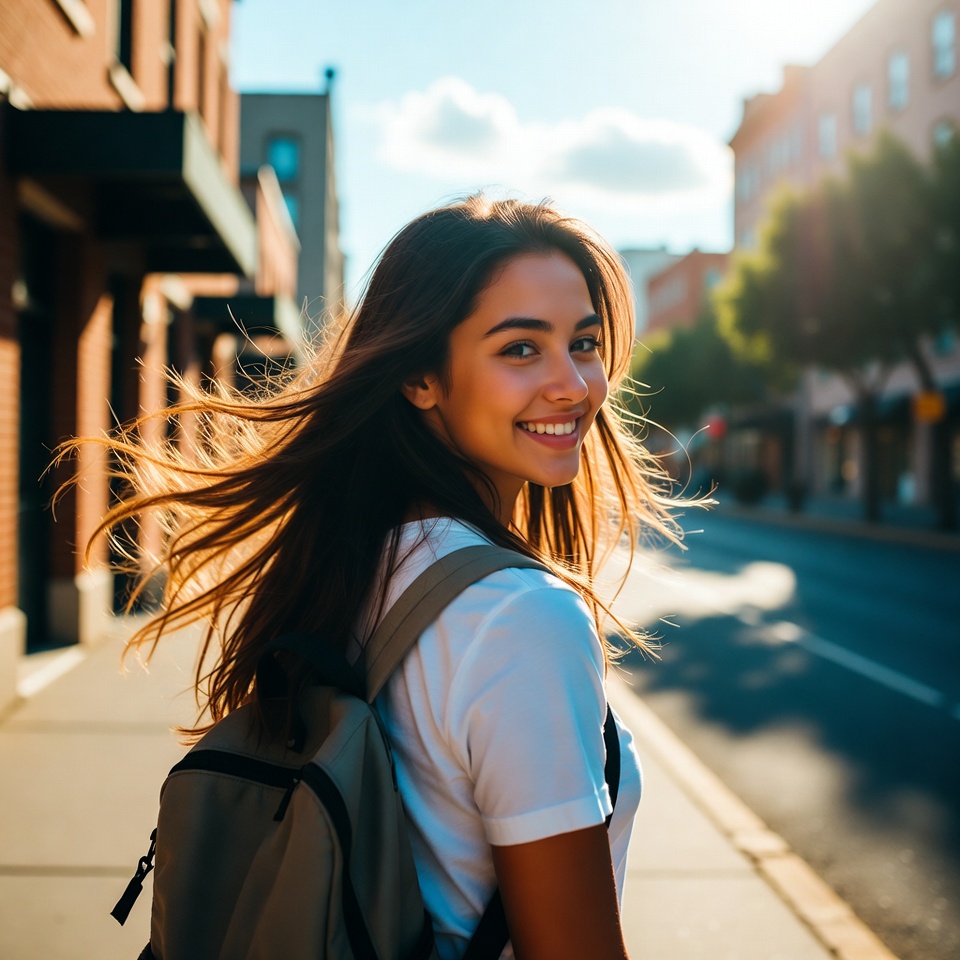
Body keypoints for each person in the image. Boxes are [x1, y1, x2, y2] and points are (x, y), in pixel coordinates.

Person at [76, 195, 681, 960]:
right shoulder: (521, 620)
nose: (574, 384)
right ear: (421, 377)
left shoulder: (355, 564)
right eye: (521, 349)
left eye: (584, 343)